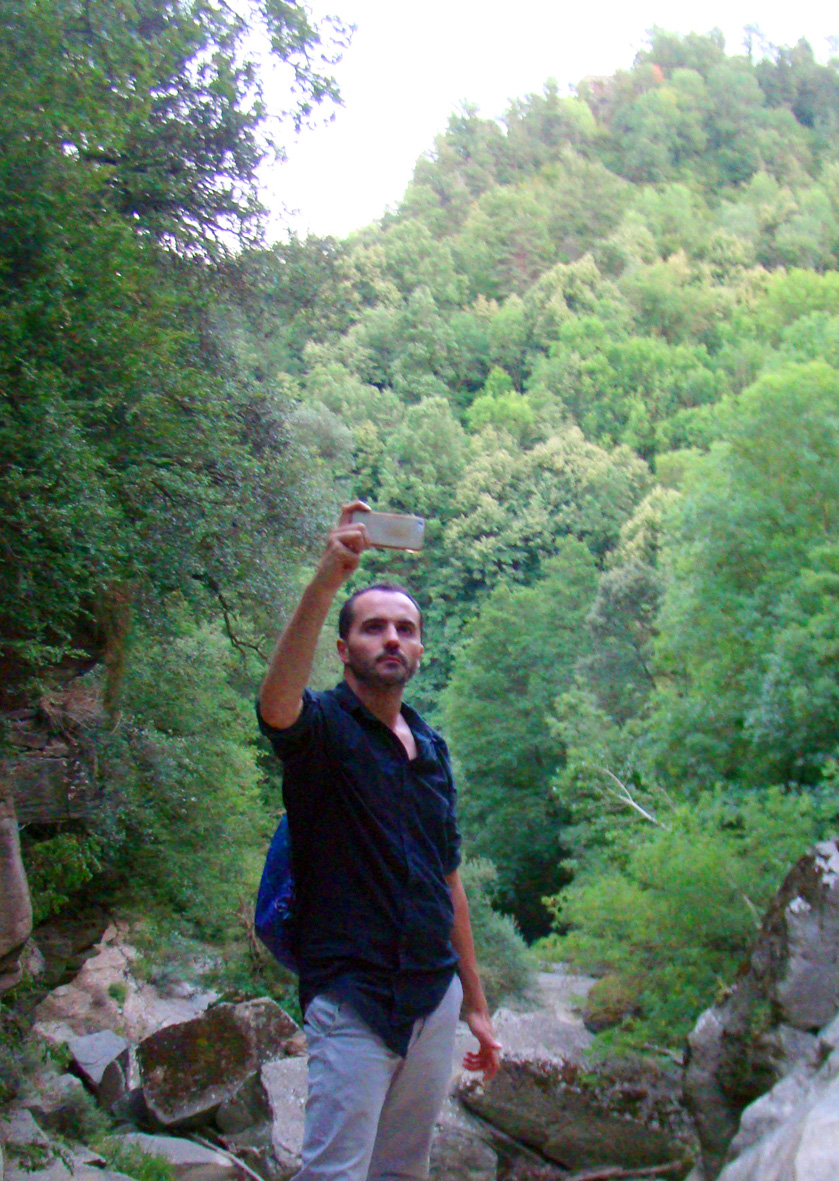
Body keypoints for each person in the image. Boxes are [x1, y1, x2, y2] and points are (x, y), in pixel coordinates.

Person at [257, 500, 501, 1181]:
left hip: (434, 995)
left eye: (405, 629)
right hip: (352, 996)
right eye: (373, 628)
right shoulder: (322, 731)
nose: (391, 638)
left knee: (402, 1171)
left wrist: (477, 1006)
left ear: (419, 649)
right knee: (334, 1173)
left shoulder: (431, 747)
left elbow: (447, 880)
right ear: (344, 649)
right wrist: (325, 582)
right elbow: (275, 706)